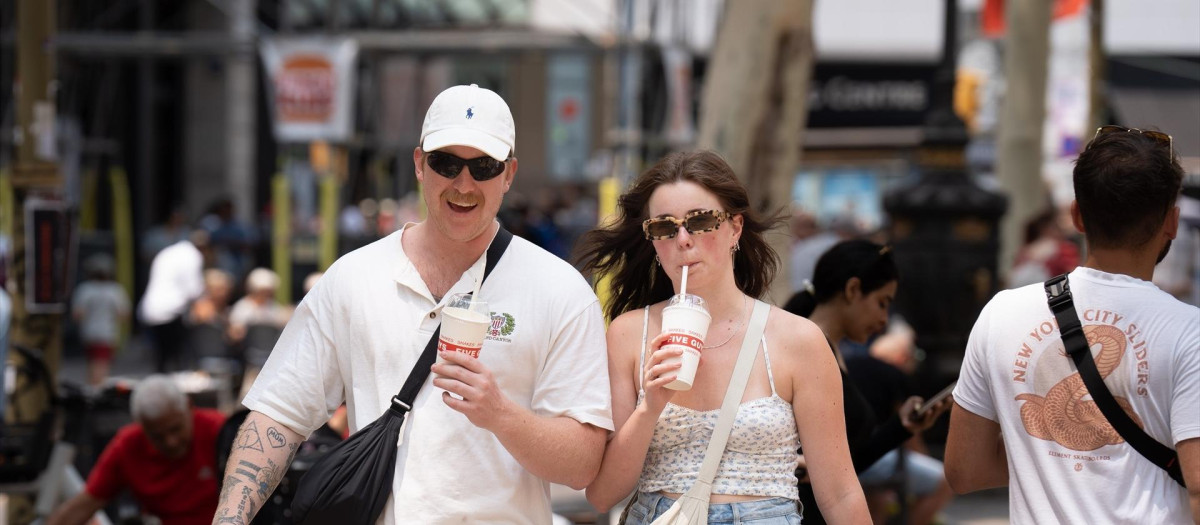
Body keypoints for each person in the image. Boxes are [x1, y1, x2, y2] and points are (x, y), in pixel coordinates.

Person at [213, 84, 613, 524]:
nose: (464, 183)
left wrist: (500, 414)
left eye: (483, 166)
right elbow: (280, 413)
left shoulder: (560, 290)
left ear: (509, 174)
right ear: (420, 164)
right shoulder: (353, 277)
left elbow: (582, 465)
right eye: (446, 163)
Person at [577, 151, 870, 523]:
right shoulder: (628, 335)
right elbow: (602, 495)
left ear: (735, 227)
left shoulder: (798, 339)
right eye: (665, 227)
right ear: (652, 240)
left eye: (700, 221)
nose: (682, 239)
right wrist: (649, 407)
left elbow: (841, 494)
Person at [946, 127, 1200, 523]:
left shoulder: (1001, 313)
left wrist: (1047, 457)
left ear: (1077, 215)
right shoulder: (1190, 332)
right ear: (1172, 223)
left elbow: (965, 470)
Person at [782, 240, 954, 525]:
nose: (883, 319)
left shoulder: (828, 350)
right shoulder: (806, 348)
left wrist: (900, 427)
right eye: (881, 303)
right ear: (852, 290)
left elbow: (842, 466)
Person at [48, 375, 226, 525]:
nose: (170, 442)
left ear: (189, 407)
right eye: (157, 436)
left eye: (176, 429)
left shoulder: (220, 431)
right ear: (141, 427)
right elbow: (84, 505)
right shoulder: (128, 446)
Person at [139, 229, 209, 372]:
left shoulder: (169, 252)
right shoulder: (193, 256)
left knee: (161, 359)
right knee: (177, 359)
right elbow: (194, 290)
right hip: (171, 312)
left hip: (150, 309)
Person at [71, 254, 131, 387]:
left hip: (88, 333)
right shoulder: (115, 290)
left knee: (92, 364)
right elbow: (124, 314)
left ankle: (91, 389)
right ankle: (96, 392)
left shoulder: (84, 289)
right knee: (102, 366)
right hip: (107, 333)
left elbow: (77, 314)